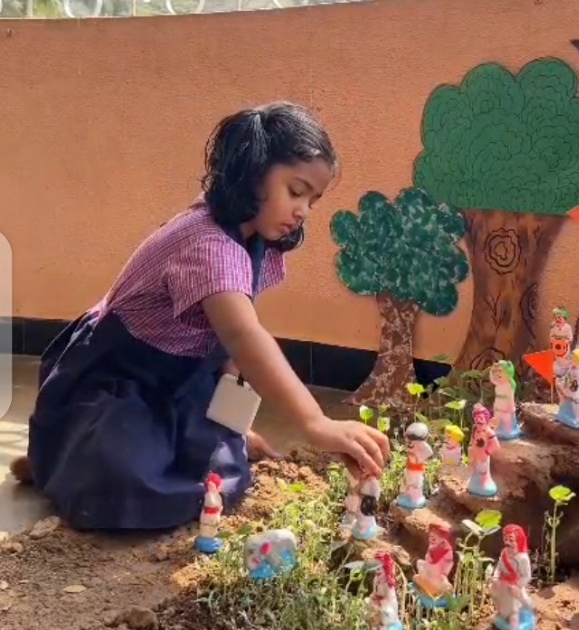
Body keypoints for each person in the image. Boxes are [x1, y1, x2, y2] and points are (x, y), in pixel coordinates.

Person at [12, 102, 390, 531]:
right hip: (116, 376)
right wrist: (315, 423)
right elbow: (244, 337)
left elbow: (228, 352)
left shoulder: (253, 242)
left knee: (222, 469)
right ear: (251, 173)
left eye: (313, 200)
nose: (303, 210)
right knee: (127, 483)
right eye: (295, 191)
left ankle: (72, 458)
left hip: (184, 378)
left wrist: (235, 428)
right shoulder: (207, 244)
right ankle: (56, 457)